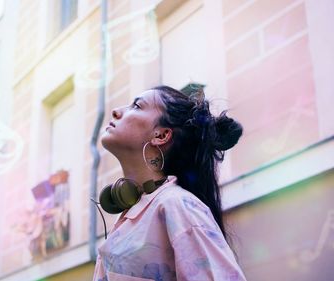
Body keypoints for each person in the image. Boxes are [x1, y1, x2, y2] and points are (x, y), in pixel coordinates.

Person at [93, 85, 247, 281]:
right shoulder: (135, 213)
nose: (116, 111)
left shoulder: (177, 205)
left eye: (137, 106)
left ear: (161, 135)